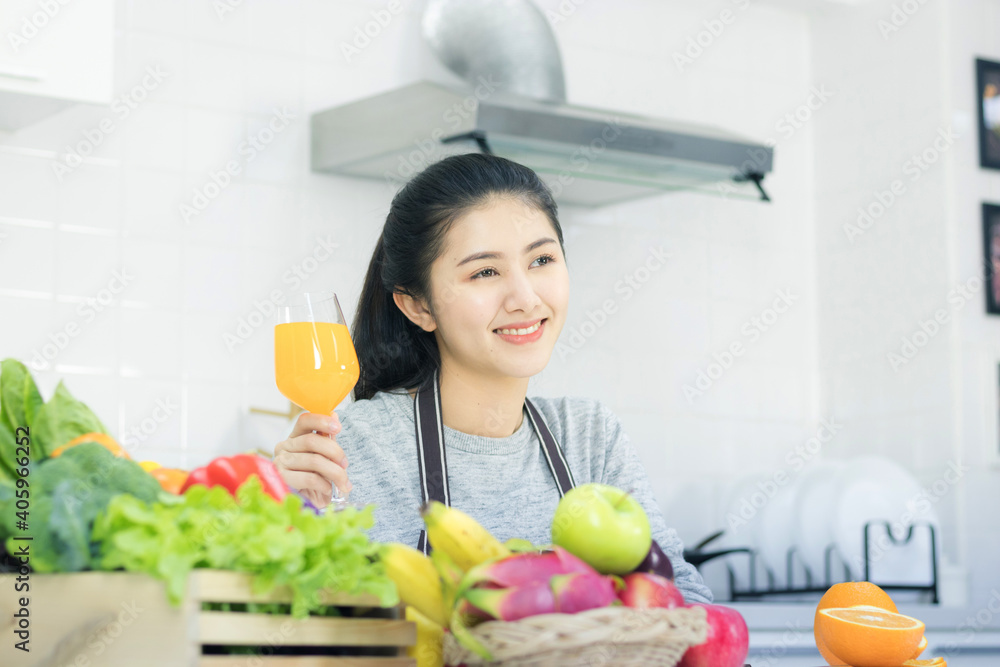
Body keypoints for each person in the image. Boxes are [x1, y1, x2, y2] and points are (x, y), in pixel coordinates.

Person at [272, 153, 712, 603]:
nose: (525, 298)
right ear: (417, 306)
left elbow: (684, 598)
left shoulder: (589, 439)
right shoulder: (352, 451)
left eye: (541, 260)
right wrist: (286, 520)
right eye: (485, 271)